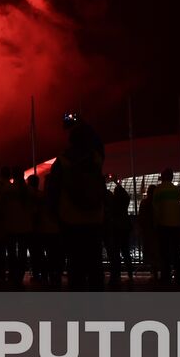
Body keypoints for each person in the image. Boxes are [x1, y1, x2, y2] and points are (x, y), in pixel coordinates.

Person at [46, 113, 105, 290]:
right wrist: (83, 123)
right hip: (95, 217)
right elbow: (100, 144)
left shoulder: (62, 161)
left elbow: (52, 191)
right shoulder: (95, 158)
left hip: (70, 218)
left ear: (70, 141)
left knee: (75, 264)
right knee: (95, 263)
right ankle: (97, 302)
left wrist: (54, 215)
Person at [150, 168, 180, 286]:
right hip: (176, 224)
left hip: (163, 224)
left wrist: (155, 223)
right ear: (172, 177)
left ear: (162, 176)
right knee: (177, 252)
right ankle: (178, 276)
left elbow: (156, 209)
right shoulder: (176, 190)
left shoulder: (158, 190)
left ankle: (166, 276)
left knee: (164, 252)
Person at [106, 178, 133, 284]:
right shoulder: (125, 201)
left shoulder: (114, 203)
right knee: (126, 251)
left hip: (116, 228)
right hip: (125, 227)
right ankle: (130, 273)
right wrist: (118, 184)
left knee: (116, 252)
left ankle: (116, 274)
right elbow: (125, 195)